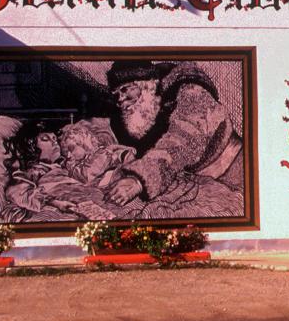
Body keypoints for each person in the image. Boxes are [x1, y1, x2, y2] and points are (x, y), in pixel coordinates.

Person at [104, 60, 244, 216]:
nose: (120, 100)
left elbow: (180, 142)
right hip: (196, 184)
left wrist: (139, 181)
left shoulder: (192, 92)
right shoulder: (147, 109)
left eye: (126, 89)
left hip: (235, 176)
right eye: (115, 95)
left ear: (147, 85)